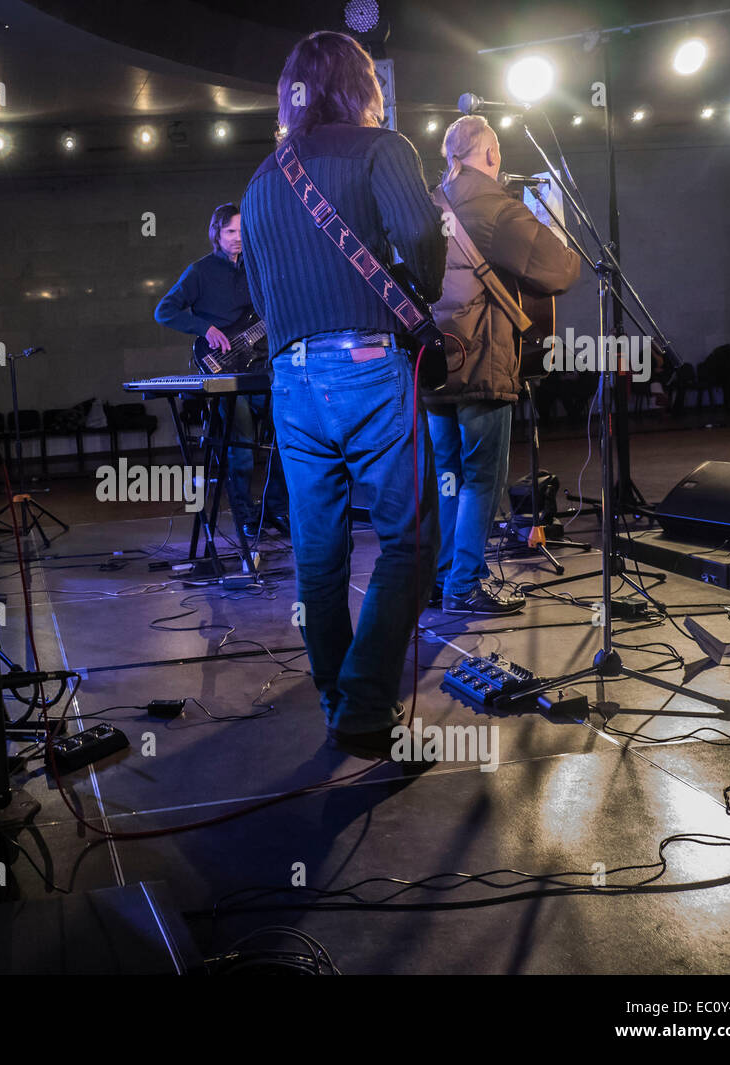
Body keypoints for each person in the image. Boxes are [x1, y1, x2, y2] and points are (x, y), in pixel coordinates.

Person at [241, 31, 446, 759]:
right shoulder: (380, 148)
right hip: (365, 363)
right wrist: (411, 284)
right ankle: (363, 702)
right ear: (363, 85)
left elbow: (261, 296)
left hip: (291, 383)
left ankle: (339, 700)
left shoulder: (262, 179)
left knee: (317, 554)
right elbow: (422, 230)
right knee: (414, 539)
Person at [425, 115, 581, 615]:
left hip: (433, 363)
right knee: (480, 481)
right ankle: (465, 587)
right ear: (491, 155)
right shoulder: (493, 205)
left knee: (446, 476)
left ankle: (442, 578)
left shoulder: (428, 204)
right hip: (481, 364)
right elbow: (556, 269)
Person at [154, 204, 288, 536]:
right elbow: (164, 310)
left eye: (242, 231)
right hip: (224, 371)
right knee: (239, 445)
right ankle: (244, 515)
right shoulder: (199, 271)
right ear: (216, 233)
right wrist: (204, 328)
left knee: (288, 437)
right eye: (230, 231)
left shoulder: (257, 269)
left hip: (262, 366)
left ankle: (274, 510)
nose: (237, 238)